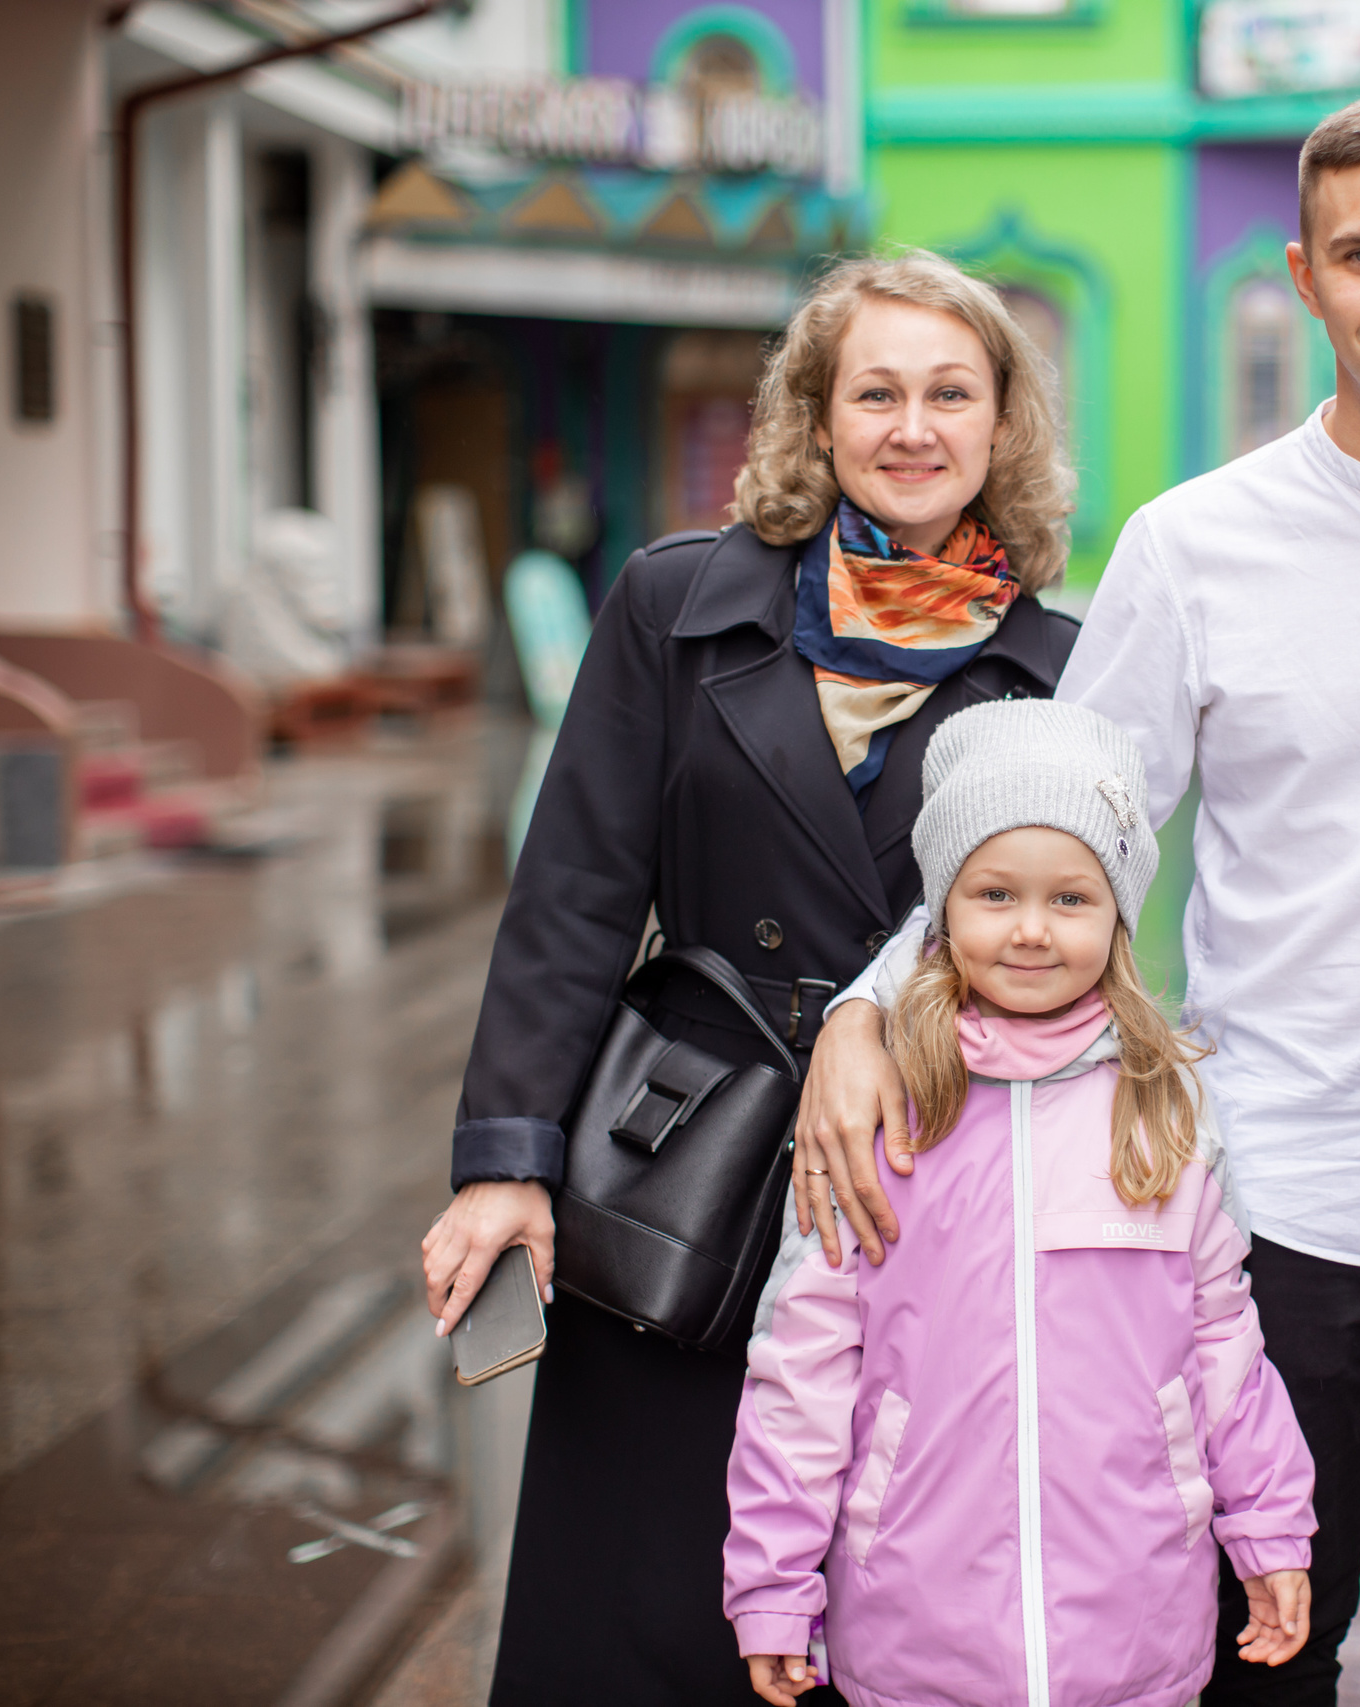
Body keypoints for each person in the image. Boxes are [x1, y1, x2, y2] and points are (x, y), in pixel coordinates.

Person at [799, 94, 1360, 1704]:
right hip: (1280, 1171)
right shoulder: (1194, 545)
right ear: (1304, 274)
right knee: (1264, 1633)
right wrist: (869, 1005)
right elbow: (1073, 826)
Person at [419, 251, 1084, 1706]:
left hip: (919, 1173)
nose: (914, 426)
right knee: (643, 1585)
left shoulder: (1054, 667)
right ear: (818, 415)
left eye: (951, 393)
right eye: (878, 391)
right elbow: (578, 892)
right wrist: (509, 1158)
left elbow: (1075, 942)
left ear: (1002, 423)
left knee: (873, 1581)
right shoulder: (676, 604)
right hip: (681, 1161)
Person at [724, 698, 1319, 1707]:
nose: (1032, 931)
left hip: (1135, 1621)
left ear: (1119, 910)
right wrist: (774, 1583)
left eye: (1072, 899)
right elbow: (803, 1362)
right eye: (995, 893)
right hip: (917, 1623)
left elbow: (1222, 1340)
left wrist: (1266, 1525)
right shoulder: (883, 1111)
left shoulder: (1162, 1103)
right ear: (943, 907)